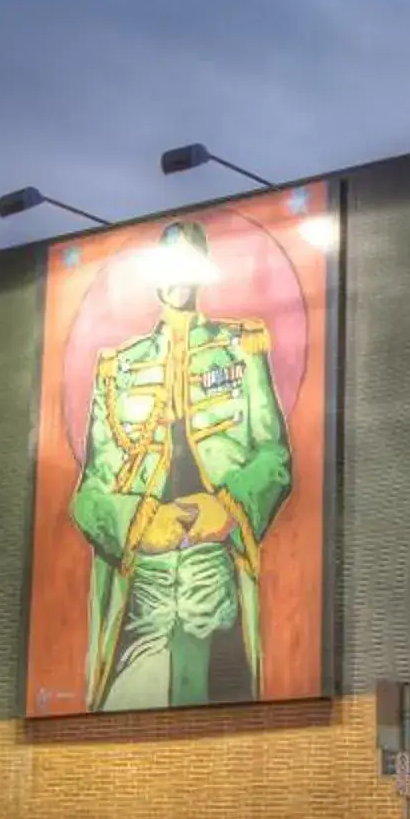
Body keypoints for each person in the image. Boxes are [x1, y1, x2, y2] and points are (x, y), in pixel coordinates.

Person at [71, 220, 292, 708]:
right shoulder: (118, 366)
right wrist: (140, 522)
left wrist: (229, 507)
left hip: (214, 568)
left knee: (216, 694)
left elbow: (273, 456)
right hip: (142, 578)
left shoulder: (240, 347)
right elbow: (89, 495)